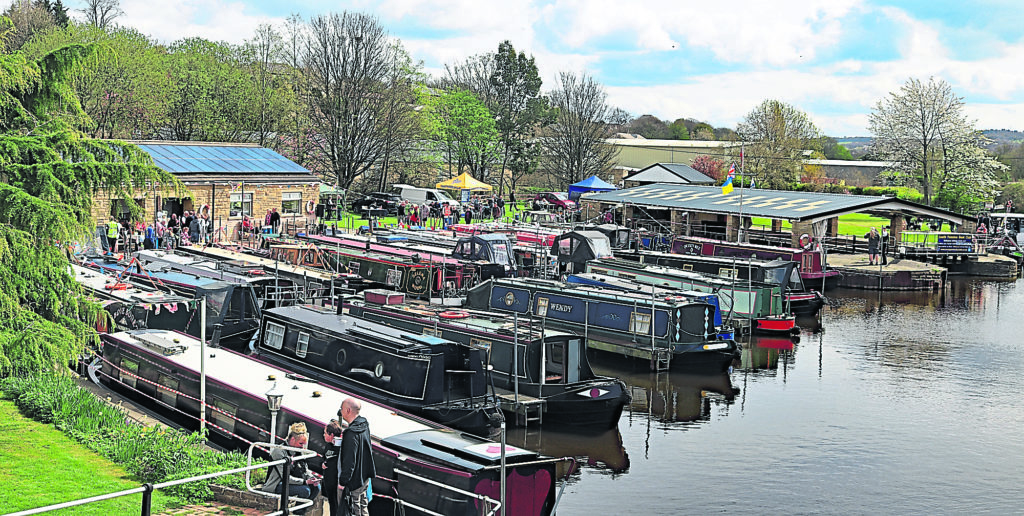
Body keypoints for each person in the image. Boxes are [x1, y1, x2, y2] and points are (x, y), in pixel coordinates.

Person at [262, 422, 321, 514]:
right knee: (305, 491)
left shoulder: (298, 451)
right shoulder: (279, 452)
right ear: (292, 439)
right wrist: (304, 482)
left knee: (317, 487)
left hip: (292, 481)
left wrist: (311, 478)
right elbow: (285, 477)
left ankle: (299, 512)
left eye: (304, 444)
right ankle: (296, 512)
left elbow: (305, 469)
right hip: (277, 484)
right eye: (301, 443)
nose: (302, 447)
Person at [336, 398, 375, 516]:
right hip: (365, 477)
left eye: (342, 409)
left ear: (348, 410)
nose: (340, 412)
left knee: (354, 510)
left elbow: (350, 461)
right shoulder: (364, 424)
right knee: (363, 507)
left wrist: (342, 482)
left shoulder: (350, 433)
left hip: (354, 481)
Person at [320, 420, 345, 516]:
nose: (323, 435)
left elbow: (340, 462)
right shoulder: (328, 445)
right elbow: (324, 457)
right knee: (331, 503)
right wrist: (324, 463)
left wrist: (329, 464)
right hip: (328, 480)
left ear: (331, 435)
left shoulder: (341, 448)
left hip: (336, 481)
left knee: (337, 504)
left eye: (325, 433)